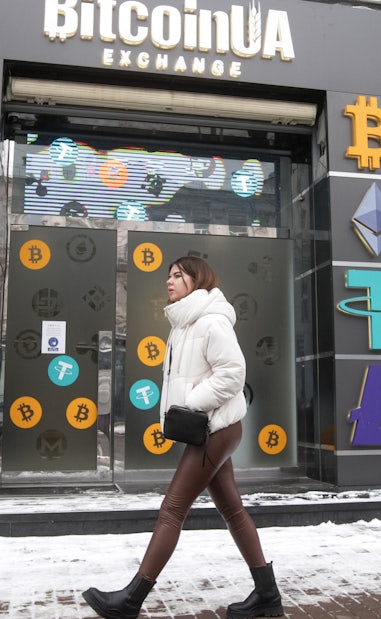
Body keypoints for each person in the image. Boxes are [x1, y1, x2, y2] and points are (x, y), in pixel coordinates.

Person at [83, 256, 283, 619]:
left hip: (216, 429)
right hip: (211, 429)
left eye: (178, 275)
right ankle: (268, 595)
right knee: (233, 510)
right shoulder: (183, 324)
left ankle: (131, 599)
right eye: (169, 276)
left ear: (197, 280)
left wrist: (191, 404)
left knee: (172, 509)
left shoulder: (211, 321)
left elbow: (233, 373)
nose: (170, 282)